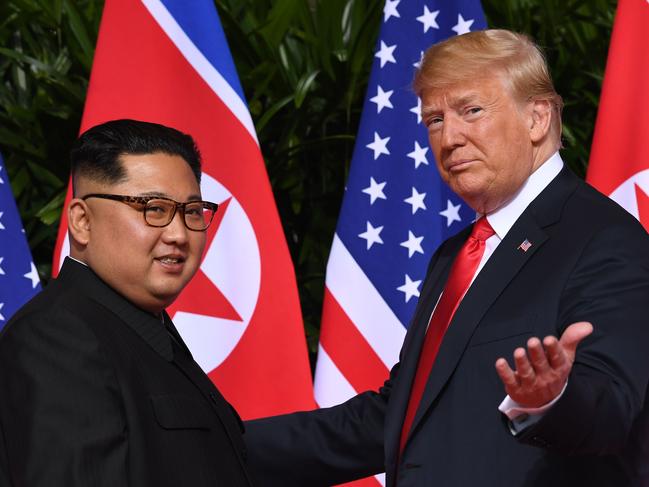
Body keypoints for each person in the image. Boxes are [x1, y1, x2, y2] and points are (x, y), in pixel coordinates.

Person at [244, 30, 649, 486]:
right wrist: (217, 445)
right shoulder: (456, 253)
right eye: (434, 119)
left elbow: (612, 410)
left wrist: (550, 400)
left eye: (470, 111)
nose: (448, 137)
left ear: (537, 118)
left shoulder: (604, 238)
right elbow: (399, 417)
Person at [0, 119, 253, 486]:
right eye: (153, 208)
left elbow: (213, 455)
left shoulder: (139, 326)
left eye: (193, 211)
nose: (179, 234)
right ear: (82, 222)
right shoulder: (57, 337)